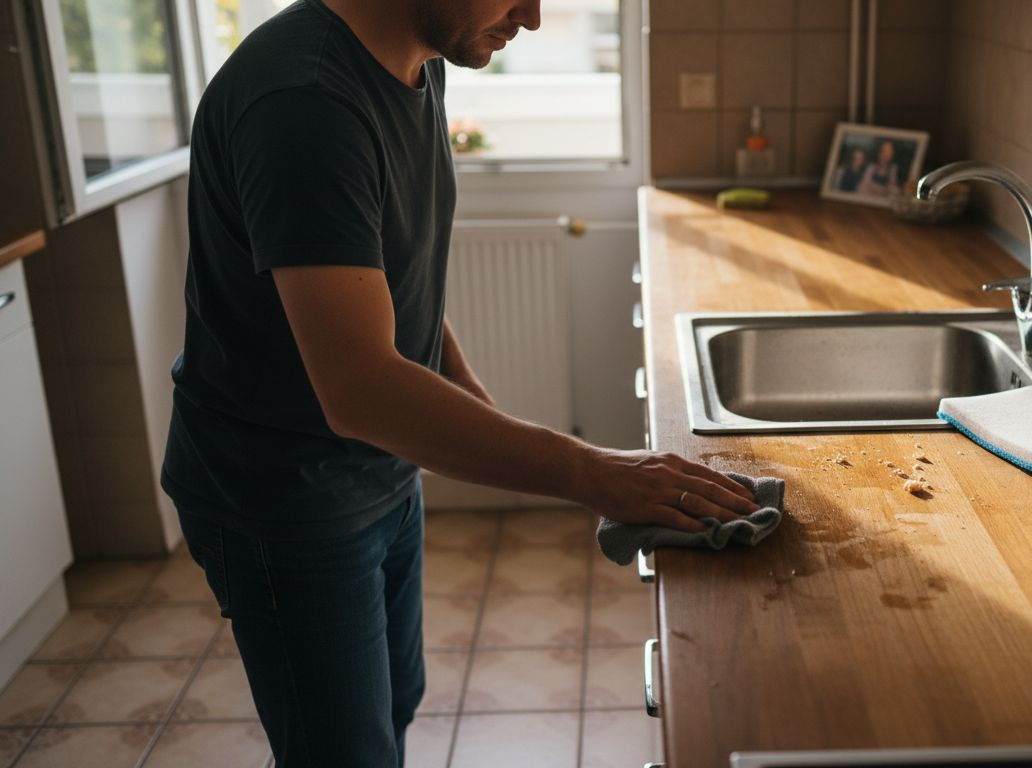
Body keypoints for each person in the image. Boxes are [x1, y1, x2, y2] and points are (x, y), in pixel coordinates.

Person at [159, 0, 759, 765]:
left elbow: (395, 289)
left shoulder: (419, 61)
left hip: (375, 472)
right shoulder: (303, 102)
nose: (535, 18)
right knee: (343, 753)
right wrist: (592, 473)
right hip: (280, 496)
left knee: (393, 707)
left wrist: (480, 413)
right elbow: (362, 387)